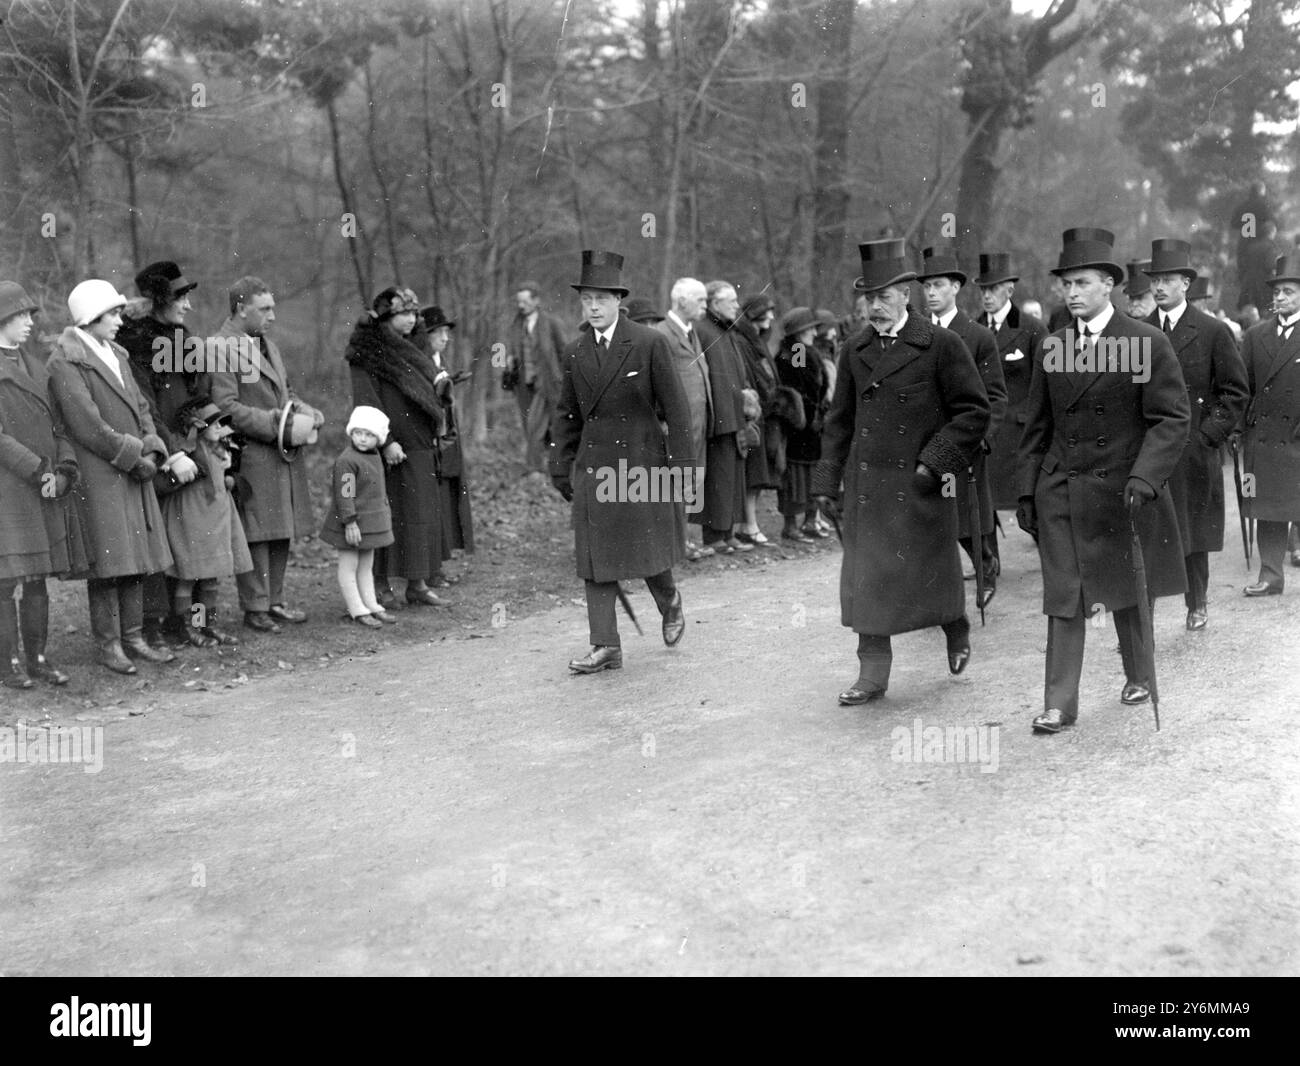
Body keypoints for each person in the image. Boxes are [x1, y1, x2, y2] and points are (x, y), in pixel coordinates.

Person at [1017, 228, 1189, 734]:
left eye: (1083, 282)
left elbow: (1171, 419)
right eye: (1066, 284)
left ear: (1109, 284)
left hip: (1124, 490)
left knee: (1125, 590)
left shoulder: (1145, 342)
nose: (1072, 293)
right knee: (1065, 594)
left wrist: (1146, 477)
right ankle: (1059, 703)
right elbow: (1037, 426)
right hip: (1062, 490)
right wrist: (1027, 489)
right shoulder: (1054, 346)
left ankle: (1139, 675)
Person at [812, 239, 990, 704]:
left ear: (905, 295)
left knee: (931, 577)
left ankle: (955, 625)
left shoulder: (940, 345)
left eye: (884, 296)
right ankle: (872, 673)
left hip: (920, 485)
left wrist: (935, 464)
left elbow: (973, 411)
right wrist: (826, 484)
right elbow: (839, 422)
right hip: (869, 489)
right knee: (867, 578)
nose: (875, 306)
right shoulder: (855, 349)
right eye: (868, 297)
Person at [548, 250, 694, 674]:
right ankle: (606, 645)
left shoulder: (650, 344)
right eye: (586, 300)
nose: (592, 307)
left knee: (645, 551)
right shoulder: (575, 352)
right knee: (595, 558)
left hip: (641, 467)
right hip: (594, 467)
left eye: (600, 299)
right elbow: (566, 414)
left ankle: (669, 602)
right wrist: (561, 465)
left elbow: (678, 411)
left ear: (618, 301)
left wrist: (683, 468)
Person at [47, 279, 175, 674]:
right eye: (113, 314)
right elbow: (86, 425)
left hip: (132, 470)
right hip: (100, 474)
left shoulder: (116, 353)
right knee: (108, 563)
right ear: (91, 317)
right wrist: (135, 456)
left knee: (135, 558)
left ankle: (134, 636)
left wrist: (152, 446)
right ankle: (109, 644)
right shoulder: (64, 362)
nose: (120, 321)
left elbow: (141, 407)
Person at [1143, 239, 1249, 628]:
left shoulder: (1212, 331)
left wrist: (1208, 436)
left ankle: (1197, 600)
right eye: (1155, 280)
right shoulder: (1136, 331)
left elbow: (1235, 391)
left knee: (1193, 530)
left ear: (1186, 283)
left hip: (1193, 448)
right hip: (1148, 449)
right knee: (1149, 531)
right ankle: (1144, 614)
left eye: (1168, 279)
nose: (1159, 287)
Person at [209, 276, 323, 633]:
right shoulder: (219, 347)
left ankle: (274, 601)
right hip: (251, 452)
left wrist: (306, 411)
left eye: (273, 307)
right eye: (265, 309)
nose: (272, 316)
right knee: (257, 531)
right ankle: (255, 607)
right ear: (242, 309)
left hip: (280, 452)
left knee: (280, 529)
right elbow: (225, 407)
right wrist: (280, 423)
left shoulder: (267, 345)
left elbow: (287, 392)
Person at [0, 281, 86, 687]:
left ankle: (36, 658)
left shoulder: (36, 364)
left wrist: (66, 468)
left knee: (37, 579)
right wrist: (38, 470)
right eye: (20, 315)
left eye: (30, 314)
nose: (29, 322)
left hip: (45, 487)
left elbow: (59, 425)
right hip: (11, 490)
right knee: (5, 581)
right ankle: (7, 665)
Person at [117, 260, 203, 650]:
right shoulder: (137, 341)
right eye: (181, 298)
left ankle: (184, 620)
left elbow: (193, 392)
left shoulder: (180, 336)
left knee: (188, 536)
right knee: (157, 539)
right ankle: (152, 624)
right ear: (161, 300)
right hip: (160, 452)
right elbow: (145, 407)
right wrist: (170, 452)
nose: (187, 306)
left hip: (189, 447)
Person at [345, 287, 449, 609]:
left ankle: (417, 583)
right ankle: (379, 584)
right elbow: (367, 401)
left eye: (414, 313)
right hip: (385, 448)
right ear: (387, 318)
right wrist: (386, 442)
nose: (412, 319)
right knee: (383, 516)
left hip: (419, 443)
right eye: (404, 313)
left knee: (419, 515)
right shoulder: (367, 352)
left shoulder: (416, 348)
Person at [918, 244, 1007, 606]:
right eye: (926, 287)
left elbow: (996, 398)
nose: (932, 293)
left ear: (956, 287)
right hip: (926, 444)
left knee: (968, 519)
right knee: (930, 518)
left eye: (939, 285)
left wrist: (981, 437)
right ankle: (937, 594)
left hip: (966, 444)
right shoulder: (916, 334)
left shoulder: (978, 337)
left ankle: (984, 564)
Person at [156, 398, 251, 647]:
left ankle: (206, 624)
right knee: (189, 574)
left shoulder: (220, 449)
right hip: (192, 516)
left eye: (222, 424)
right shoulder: (187, 450)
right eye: (215, 424)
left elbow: (224, 475)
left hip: (216, 517)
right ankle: (185, 627)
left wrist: (228, 475)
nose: (220, 429)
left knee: (210, 576)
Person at [975, 252, 1048, 538]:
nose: (987, 296)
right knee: (984, 502)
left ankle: (1048, 556)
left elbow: (1046, 380)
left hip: (1021, 432)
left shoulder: (1031, 329)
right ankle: (988, 567)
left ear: (1009, 290)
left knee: (1029, 501)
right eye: (982, 289)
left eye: (993, 289)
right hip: (989, 432)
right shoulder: (974, 329)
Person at [1241, 252, 1300, 597]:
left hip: (1296, 435)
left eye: (1289, 292)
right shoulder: (1254, 336)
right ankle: (1271, 575)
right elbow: (1242, 387)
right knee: (1269, 508)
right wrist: (1240, 428)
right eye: (1277, 292)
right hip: (1264, 436)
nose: (1280, 298)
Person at [654, 278, 714, 561]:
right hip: (676, 427)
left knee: (692, 482)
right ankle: (676, 544)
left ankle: (684, 541)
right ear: (682, 302)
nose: (705, 305)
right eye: (700, 300)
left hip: (698, 423)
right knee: (676, 483)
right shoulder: (662, 334)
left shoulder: (692, 332)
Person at [321, 406, 396, 628]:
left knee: (366, 565)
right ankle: (356, 608)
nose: (363, 439)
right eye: (358, 433)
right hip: (351, 523)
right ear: (351, 432)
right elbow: (345, 495)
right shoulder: (347, 460)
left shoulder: (374, 457)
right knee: (349, 564)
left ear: (379, 438)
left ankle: (371, 604)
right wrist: (350, 522)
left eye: (369, 435)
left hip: (370, 523)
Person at [694, 281, 753, 554]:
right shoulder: (704, 330)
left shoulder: (726, 330)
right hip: (718, 416)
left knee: (732, 477)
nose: (737, 306)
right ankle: (713, 536)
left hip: (734, 413)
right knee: (717, 479)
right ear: (715, 304)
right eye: (731, 301)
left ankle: (727, 532)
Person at [422, 305, 474, 584]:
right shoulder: (422, 361)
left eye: (446, 332)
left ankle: (437, 567)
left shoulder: (438, 360)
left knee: (444, 502)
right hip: (430, 441)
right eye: (439, 332)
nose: (445, 338)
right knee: (431, 505)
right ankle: (429, 570)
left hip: (445, 440)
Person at [775, 307, 827, 543]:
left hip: (809, 423)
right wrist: (810, 411)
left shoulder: (799, 350)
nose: (815, 332)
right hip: (800, 424)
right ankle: (792, 525)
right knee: (796, 474)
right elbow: (799, 385)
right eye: (811, 328)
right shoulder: (797, 351)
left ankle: (808, 520)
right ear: (800, 332)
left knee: (809, 472)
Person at [505, 281, 568, 471]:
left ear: (536, 300)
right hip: (524, 384)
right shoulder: (515, 324)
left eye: (524, 301)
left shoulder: (551, 323)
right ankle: (543, 466)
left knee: (539, 425)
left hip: (548, 383)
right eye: (518, 301)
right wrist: (504, 361)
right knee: (530, 426)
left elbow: (563, 351)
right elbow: (500, 349)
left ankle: (537, 469)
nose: (520, 305)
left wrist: (565, 380)